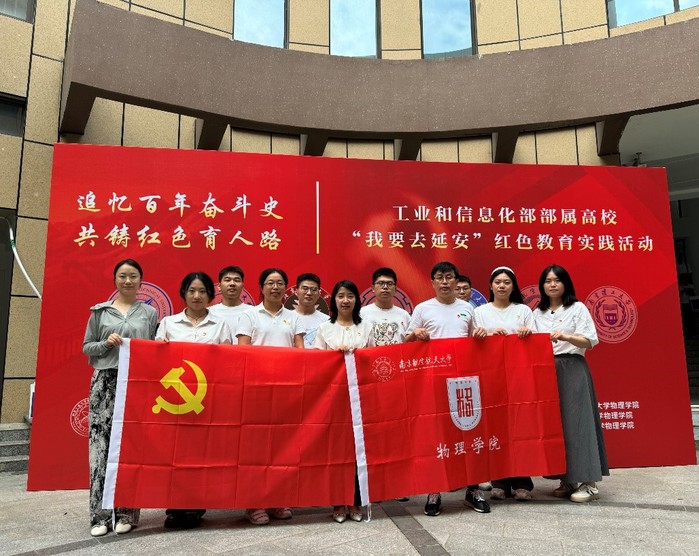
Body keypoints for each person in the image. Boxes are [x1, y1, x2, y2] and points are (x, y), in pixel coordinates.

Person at [406, 261, 490, 516]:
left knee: (468, 433)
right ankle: (434, 491)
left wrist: (480, 334)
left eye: (449, 277)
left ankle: (472, 490)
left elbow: (476, 339)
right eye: (439, 277)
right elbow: (406, 340)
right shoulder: (423, 308)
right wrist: (416, 333)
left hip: (463, 382)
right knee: (436, 435)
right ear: (432, 282)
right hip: (433, 381)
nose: (444, 282)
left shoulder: (467, 308)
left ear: (456, 280)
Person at [82, 259, 158, 537]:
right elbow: (87, 347)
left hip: (136, 383)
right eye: (123, 276)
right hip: (105, 382)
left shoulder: (149, 313)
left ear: (141, 281)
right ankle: (99, 516)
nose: (128, 281)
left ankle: (127, 513)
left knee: (131, 448)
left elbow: (153, 348)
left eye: (133, 276)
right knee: (100, 448)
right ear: (115, 279)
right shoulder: (100, 312)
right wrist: (105, 343)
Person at [155, 271, 232, 529]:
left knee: (202, 453)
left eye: (202, 291)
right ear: (183, 294)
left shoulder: (220, 325)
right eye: (191, 291)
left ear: (210, 295)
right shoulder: (168, 323)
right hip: (175, 401)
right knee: (175, 453)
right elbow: (156, 360)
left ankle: (196, 505)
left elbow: (227, 362)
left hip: (207, 400)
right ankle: (175, 506)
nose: (197, 296)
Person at [533, 264, 609, 503]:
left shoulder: (577, 308)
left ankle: (589, 482)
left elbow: (590, 340)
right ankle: (566, 479)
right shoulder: (537, 312)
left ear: (565, 283)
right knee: (557, 425)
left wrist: (566, 336)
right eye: (547, 281)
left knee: (579, 423)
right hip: (546, 370)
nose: (552, 285)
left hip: (573, 367)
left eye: (557, 280)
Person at [237, 268, 305, 525]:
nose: (275, 287)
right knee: (256, 449)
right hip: (257, 390)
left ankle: (278, 499)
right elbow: (243, 352)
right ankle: (254, 503)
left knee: (282, 447)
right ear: (261, 287)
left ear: (286, 288)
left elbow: (300, 351)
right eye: (270, 283)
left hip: (287, 391)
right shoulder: (249, 315)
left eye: (279, 283)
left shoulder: (294, 317)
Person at [472, 266, 535, 502]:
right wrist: (486, 336)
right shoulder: (480, 312)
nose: (502, 286)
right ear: (490, 285)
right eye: (497, 282)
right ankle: (499, 480)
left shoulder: (523, 310)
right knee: (496, 426)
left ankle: (522, 481)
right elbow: (473, 342)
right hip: (492, 376)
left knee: (520, 425)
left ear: (513, 286)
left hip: (519, 376)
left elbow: (536, 341)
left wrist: (527, 333)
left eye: (506, 282)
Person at [314, 279, 374, 523]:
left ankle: (355, 502)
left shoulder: (366, 327)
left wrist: (359, 357)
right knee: (336, 450)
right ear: (334, 300)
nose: (345, 300)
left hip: (359, 399)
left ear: (356, 300)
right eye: (341, 296)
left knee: (358, 450)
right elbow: (317, 364)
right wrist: (333, 358)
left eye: (350, 295)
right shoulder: (324, 329)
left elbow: (373, 360)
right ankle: (338, 502)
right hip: (333, 400)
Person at [359, 267, 411, 346]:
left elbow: (411, 344)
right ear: (373, 288)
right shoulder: (362, 314)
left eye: (389, 283)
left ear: (395, 289)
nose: (385, 287)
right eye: (381, 283)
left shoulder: (404, 315)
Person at [208, 265, 250, 342]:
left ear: (242, 286)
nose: (232, 284)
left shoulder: (252, 312)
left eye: (237, 280)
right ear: (219, 286)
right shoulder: (209, 312)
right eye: (227, 280)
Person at [293, 272, 330, 348]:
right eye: (305, 289)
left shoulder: (327, 321)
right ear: (296, 292)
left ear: (319, 293)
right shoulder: (288, 318)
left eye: (313, 289)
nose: (309, 293)